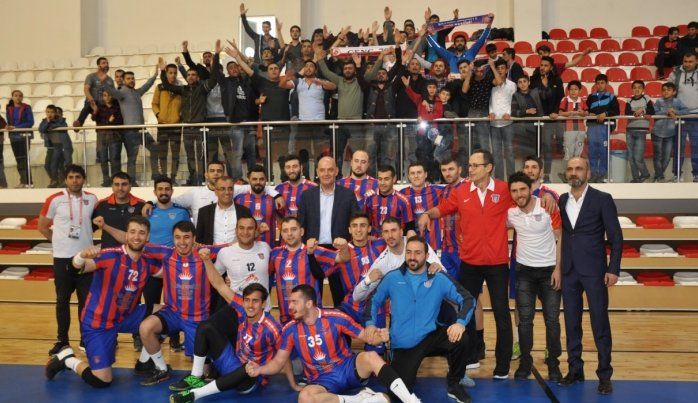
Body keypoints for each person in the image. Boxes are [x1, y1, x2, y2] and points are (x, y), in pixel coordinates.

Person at [418, 149, 558, 379]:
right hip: (469, 263)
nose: (470, 169)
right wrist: (427, 214)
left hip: (497, 264)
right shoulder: (462, 191)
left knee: (502, 314)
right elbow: (442, 209)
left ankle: (502, 365)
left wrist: (548, 196)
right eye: (470, 165)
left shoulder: (503, 189)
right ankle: (469, 356)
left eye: (475, 165)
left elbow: (527, 193)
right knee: (466, 311)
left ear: (488, 167)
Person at [245, 284, 421, 403]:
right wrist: (259, 370)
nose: (289, 306)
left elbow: (367, 337)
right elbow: (278, 362)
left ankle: (410, 400)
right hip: (321, 380)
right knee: (305, 397)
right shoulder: (290, 329)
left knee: (371, 356)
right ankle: (360, 400)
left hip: (347, 369)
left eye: (294, 302)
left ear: (309, 303)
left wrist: (380, 337)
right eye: (290, 302)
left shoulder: (335, 318)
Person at [44, 216, 160, 388]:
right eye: (133, 232)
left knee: (168, 315)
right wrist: (81, 256)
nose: (137, 237)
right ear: (126, 235)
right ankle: (67, 359)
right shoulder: (110, 255)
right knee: (102, 380)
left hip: (127, 315)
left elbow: (171, 272)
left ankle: (144, 362)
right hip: (99, 323)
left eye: (142, 233)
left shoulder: (147, 261)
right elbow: (73, 269)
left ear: (148, 237)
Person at [365, 236, 475, 403]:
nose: (412, 257)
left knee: (461, 339)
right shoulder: (392, 278)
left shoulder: (438, 277)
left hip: (430, 335)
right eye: (409, 252)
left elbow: (467, 299)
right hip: (404, 344)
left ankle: (454, 384)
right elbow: (373, 300)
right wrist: (370, 324)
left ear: (426, 255)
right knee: (397, 396)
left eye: (417, 253)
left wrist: (460, 324)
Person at [128, 221, 229, 386]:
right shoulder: (166, 253)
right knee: (145, 328)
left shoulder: (205, 253)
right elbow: (133, 241)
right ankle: (162, 369)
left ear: (194, 239)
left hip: (196, 317)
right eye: (178, 237)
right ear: (173, 238)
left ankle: (210, 364)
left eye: (186, 237)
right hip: (172, 313)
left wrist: (258, 232)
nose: (182, 242)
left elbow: (231, 246)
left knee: (203, 374)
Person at [558, 157, 623, 395]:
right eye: (570, 169)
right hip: (569, 271)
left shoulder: (602, 199)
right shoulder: (562, 199)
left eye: (579, 168)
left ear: (588, 172)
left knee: (600, 324)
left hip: (595, 271)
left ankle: (604, 375)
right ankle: (575, 370)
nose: (574, 172)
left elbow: (616, 237)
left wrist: (613, 269)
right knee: (571, 324)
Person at [169, 280, 293, 402]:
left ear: (263, 303)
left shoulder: (272, 328)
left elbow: (282, 359)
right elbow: (219, 285)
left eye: (255, 301)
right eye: (247, 300)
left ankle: (194, 394)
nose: (250, 305)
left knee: (248, 366)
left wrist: (292, 384)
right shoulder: (243, 310)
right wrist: (207, 265)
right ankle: (196, 376)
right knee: (205, 327)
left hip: (251, 378)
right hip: (234, 363)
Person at [506, 172, 562, 381]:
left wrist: (558, 269)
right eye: (514, 191)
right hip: (524, 273)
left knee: (552, 321)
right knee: (524, 321)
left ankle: (553, 363)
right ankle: (525, 362)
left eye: (522, 189)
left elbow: (560, 237)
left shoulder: (547, 206)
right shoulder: (510, 212)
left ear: (531, 189)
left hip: (549, 271)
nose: (519, 194)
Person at [39, 165, 98, 355]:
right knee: (62, 301)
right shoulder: (54, 199)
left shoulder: (92, 199)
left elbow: (94, 224)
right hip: (62, 259)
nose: (74, 180)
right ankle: (62, 341)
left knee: (86, 302)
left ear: (84, 179)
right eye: (71, 177)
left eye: (78, 177)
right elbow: (42, 226)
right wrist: (59, 242)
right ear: (65, 179)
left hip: (86, 260)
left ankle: (85, 339)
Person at [298, 156, 360, 307]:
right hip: (314, 251)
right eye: (322, 170)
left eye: (330, 170)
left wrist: (348, 245)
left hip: (339, 251)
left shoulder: (348, 195)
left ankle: (343, 321)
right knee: (312, 299)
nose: (326, 174)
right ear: (317, 172)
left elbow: (356, 222)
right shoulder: (307, 195)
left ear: (336, 171)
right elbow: (301, 225)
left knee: (341, 298)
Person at [142, 176, 190, 350]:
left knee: (175, 304)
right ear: (155, 192)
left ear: (172, 191)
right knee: (151, 303)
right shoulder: (147, 211)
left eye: (167, 189)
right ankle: (149, 337)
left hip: (174, 267)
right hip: (151, 267)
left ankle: (174, 338)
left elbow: (188, 237)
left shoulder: (181, 212)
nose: (164, 192)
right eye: (160, 189)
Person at [316, 45, 380, 172]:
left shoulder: (360, 81)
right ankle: (338, 177)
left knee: (358, 155)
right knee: (337, 154)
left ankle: (358, 177)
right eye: (345, 68)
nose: (347, 70)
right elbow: (327, 73)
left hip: (356, 123)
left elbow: (373, 72)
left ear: (354, 70)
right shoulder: (339, 81)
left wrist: (381, 57)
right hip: (340, 123)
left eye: (350, 68)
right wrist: (320, 60)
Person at [269, 216, 345, 323]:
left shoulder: (312, 250)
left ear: (301, 231)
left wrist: (344, 247)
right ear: (281, 234)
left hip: (310, 316)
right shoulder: (275, 253)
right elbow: (267, 275)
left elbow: (342, 258)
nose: (289, 234)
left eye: (293, 229)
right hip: (286, 316)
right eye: (285, 231)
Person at [157, 57, 218, 185]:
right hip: (187, 128)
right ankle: (193, 178)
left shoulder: (202, 89)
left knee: (201, 156)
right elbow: (167, 85)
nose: (190, 77)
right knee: (190, 156)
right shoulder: (183, 89)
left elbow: (213, 80)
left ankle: (202, 179)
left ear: (197, 77)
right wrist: (162, 71)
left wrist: (216, 59)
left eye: (193, 75)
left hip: (200, 128)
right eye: (189, 74)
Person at [104, 67, 160, 184]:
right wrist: (104, 81)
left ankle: (155, 175)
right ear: (124, 80)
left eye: (133, 78)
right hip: (130, 131)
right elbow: (112, 92)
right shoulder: (122, 91)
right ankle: (132, 182)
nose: (131, 80)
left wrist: (155, 75)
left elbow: (146, 86)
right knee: (132, 157)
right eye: (128, 78)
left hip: (142, 130)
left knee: (154, 147)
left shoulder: (136, 92)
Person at [210, 48, 255, 180]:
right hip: (236, 123)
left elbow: (251, 74)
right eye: (231, 68)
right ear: (227, 71)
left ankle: (254, 176)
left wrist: (239, 58)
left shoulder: (245, 81)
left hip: (249, 122)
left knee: (251, 152)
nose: (234, 69)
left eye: (235, 67)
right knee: (238, 153)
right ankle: (237, 179)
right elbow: (215, 72)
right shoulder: (225, 82)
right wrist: (216, 54)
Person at [212, 216, 271, 305]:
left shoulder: (265, 248)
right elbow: (215, 277)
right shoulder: (225, 252)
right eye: (241, 228)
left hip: (263, 308)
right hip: (237, 308)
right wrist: (225, 281)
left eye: (250, 228)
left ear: (256, 231)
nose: (245, 232)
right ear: (236, 230)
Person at [530, 56, 565, 182]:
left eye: (546, 65)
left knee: (547, 147)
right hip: (535, 119)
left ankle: (546, 175)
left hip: (550, 119)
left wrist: (555, 111)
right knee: (535, 149)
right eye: (541, 65)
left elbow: (560, 97)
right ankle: (533, 174)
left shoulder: (556, 79)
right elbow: (531, 97)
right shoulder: (533, 79)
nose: (542, 67)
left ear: (550, 67)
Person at [425, 13, 494, 72]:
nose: (460, 43)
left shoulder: (471, 52)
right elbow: (436, 47)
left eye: (462, 41)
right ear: (454, 45)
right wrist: (427, 32)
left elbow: (481, 40)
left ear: (465, 43)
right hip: (455, 83)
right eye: (457, 41)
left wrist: (489, 24)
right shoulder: (450, 56)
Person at [92, 172, 145, 248]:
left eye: (124, 184)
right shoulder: (101, 205)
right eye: (117, 184)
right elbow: (90, 228)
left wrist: (150, 203)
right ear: (112, 186)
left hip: (133, 253)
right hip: (109, 253)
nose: (120, 188)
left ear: (130, 186)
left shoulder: (141, 205)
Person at [195, 176, 253, 245]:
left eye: (230, 189)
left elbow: (249, 236)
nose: (227, 192)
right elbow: (199, 240)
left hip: (237, 251)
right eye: (222, 189)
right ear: (216, 192)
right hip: (211, 251)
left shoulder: (244, 211)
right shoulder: (204, 212)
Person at [668, 51, 698, 182]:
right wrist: (671, 109)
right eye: (685, 61)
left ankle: (697, 175)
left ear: (696, 61)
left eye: (691, 61)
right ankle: (677, 175)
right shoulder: (675, 73)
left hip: (696, 116)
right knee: (678, 147)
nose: (687, 64)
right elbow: (668, 92)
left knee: (696, 147)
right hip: (679, 116)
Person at [234, 166, 282, 247]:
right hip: (245, 248)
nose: (258, 182)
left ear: (266, 180)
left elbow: (281, 222)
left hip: (269, 247)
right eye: (254, 179)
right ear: (249, 179)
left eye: (261, 179)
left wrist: (278, 241)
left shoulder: (273, 199)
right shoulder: (239, 199)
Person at [400, 162, 443, 252]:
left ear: (425, 174)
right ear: (408, 176)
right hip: (411, 245)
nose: (416, 176)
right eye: (412, 173)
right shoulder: (402, 194)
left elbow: (455, 187)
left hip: (433, 244)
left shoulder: (437, 191)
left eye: (419, 172)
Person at [652, 82, 690, 182]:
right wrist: (667, 111)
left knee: (667, 157)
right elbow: (654, 112)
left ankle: (657, 175)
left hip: (670, 133)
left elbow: (686, 111)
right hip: (657, 132)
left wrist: (675, 112)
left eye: (668, 90)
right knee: (657, 156)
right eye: (664, 90)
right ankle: (660, 177)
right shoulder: (659, 101)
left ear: (674, 92)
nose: (666, 92)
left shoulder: (677, 102)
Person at [363, 165, 415, 237]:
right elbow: (365, 222)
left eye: (386, 179)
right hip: (375, 241)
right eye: (380, 179)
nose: (382, 183)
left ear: (394, 179)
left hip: (395, 241)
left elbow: (410, 228)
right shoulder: (369, 198)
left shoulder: (403, 200)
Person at [586, 74, 620, 182]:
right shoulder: (591, 97)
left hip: (604, 127)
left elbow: (616, 111)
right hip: (592, 126)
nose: (600, 85)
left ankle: (602, 174)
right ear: (595, 84)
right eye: (598, 83)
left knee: (603, 151)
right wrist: (588, 113)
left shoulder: (611, 97)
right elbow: (586, 110)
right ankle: (593, 174)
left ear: (607, 83)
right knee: (592, 150)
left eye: (602, 83)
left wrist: (605, 113)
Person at [151, 63, 182, 181]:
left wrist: (180, 116)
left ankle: (173, 177)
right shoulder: (160, 87)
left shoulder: (180, 88)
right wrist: (159, 115)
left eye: (175, 73)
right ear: (166, 73)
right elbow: (154, 103)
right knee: (162, 153)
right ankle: (164, 176)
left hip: (176, 125)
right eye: (170, 73)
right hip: (163, 125)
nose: (173, 75)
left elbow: (184, 105)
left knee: (175, 154)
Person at [488, 59, 517, 180]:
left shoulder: (512, 85)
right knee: (496, 154)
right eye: (498, 68)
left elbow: (514, 101)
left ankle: (512, 179)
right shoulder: (492, 84)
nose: (500, 70)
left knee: (509, 153)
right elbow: (490, 101)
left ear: (506, 70)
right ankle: (499, 180)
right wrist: (490, 112)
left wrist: (509, 113)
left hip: (508, 123)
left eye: (502, 68)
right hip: (494, 123)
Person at [624, 80, 655, 183]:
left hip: (641, 131)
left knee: (638, 157)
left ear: (643, 89)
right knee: (631, 157)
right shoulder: (629, 100)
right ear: (632, 89)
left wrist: (643, 110)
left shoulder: (646, 98)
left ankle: (645, 174)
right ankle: (636, 178)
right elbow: (627, 112)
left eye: (639, 87)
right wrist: (636, 112)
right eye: (635, 87)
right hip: (630, 130)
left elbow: (652, 111)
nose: (637, 89)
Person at [558, 81, 589, 181]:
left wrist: (582, 113)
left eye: (575, 89)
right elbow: (560, 113)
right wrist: (570, 113)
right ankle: (565, 174)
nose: (573, 91)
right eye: (571, 89)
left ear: (579, 90)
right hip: (569, 130)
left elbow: (586, 113)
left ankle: (576, 175)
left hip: (581, 130)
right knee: (568, 153)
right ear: (568, 91)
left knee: (578, 154)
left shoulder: (582, 101)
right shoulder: (565, 100)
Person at [91, 90, 123, 187]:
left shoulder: (117, 107)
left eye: (109, 95)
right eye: (105, 95)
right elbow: (94, 118)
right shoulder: (99, 107)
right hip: (102, 135)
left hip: (114, 134)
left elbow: (120, 121)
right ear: (102, 97)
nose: (107, 97)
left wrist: (111, 122)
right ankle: (106, 179)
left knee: (115, 159)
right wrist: (95, 111)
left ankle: (115, 180)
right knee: (103, 158)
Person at [74, 57, 115, 129]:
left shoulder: (110, 80)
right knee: (87, 105)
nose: (106, 65)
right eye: (103, 63)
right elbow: (86, 90)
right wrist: (92, 102)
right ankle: (79, 123)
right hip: (91, 102)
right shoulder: (91, 76)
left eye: (107, 63)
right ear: (98, 65)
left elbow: (113, 93)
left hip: (103, 105)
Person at [511, 75, 545, 160]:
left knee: (539, 152)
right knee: (526, 153)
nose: (522, 84)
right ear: (517, 85)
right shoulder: (515, 95)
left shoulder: (536, 91)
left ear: (529, 83)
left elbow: (548, 95)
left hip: (538, 127)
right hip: (523, 128)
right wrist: (526, 111)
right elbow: (513, 112)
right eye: (520, 82)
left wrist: (544, 85)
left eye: (524, 81)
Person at [5, 90, 34, 187]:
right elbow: (9, 122)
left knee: (24, 160)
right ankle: (23, 181)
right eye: (16, 95)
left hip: (24, 136)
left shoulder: (27, 107)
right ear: (12, 97)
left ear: (22, 97)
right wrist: (8, 126)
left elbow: (30, 122)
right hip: (13, 136)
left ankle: (29, 182)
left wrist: (16, 127)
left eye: (20, 96)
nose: (18, 97)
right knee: (18, 160)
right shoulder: (9, 108)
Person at [38, 104, 72, 187]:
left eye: (52, 112)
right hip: (56, 146)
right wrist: (48, 122)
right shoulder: (45, 121)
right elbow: (41, 129)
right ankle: (55, 180)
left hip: (65, 145)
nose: (50, 114)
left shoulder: (61, 120)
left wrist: (52, 126)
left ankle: (67, 180)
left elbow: (64, 126)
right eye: (48, 112)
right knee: (53, 164)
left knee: (67, 163)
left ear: (55, 113)